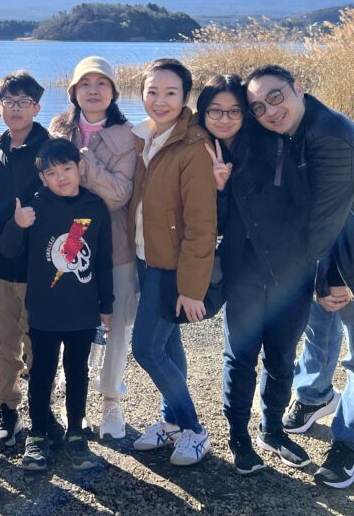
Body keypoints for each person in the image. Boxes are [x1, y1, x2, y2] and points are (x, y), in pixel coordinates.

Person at [245, 64, 354, 489]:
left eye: (275, 97)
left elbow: (326, 219)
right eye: (258, 106)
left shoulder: (331, 136)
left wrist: (327, 279)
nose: (269, 111)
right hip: (328, 255)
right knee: (320, 331)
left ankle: (351, 446)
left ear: (299, 88)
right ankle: (315, 397)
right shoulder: (292, 131)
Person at [198, 74, 314, 475]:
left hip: (290, 272)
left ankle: (273, 429)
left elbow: (307, 208)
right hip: (242, 271)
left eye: (234, 110)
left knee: (282, 356)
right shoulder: (199, 152)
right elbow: (209, 225)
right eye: (216, 110)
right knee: (241, 357)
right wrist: (219, 187)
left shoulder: (273, 145)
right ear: (204, 113)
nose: (225, 118)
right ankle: (239, 437)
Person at [0, 138, 114, 472]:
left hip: (83, 310)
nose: (61, 177)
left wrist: (106, 305)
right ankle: (37, 435)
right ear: (43, 177)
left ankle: (76, 433)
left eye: (66, 168)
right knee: (41, 372)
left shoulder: (94, 207)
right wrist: (16, 224)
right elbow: (8, 251)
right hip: (44, 311)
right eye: (52, 173)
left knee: (77, 371)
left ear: (79, 168)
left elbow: (104, 261)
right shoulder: (35, 206)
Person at [127, 58, 217, 466]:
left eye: (170, 93)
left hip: (171, 268)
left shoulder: (192, 146)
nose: (159, 101)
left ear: (185, 98)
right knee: (168, 343)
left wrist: (191, 287)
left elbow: (201, 224)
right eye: (152, 91)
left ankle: (195, 430)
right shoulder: (144, 137)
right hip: (148, 261)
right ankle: (172, 422)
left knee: (146, 349)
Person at [49, 56, 137, 439]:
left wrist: (86, 164)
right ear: (74, 91)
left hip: (115, 243)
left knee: (115, 326)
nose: (94, 90)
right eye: (86, 83)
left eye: (102, 84)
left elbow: (119, 195)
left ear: (114, 92)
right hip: (65, 242)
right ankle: (73, 402)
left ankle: (111, 402)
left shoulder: (129, 135)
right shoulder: (58, 129)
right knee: (68, 321)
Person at [0, 71, 49, 446]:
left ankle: (41, 413)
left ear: (36, 107)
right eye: (9, 102)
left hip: (40, 265)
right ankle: (7, 409)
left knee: (39, 344)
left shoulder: (51, 148)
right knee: (4, 341)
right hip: (1, 264)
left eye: (23, 102)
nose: (16, 108)